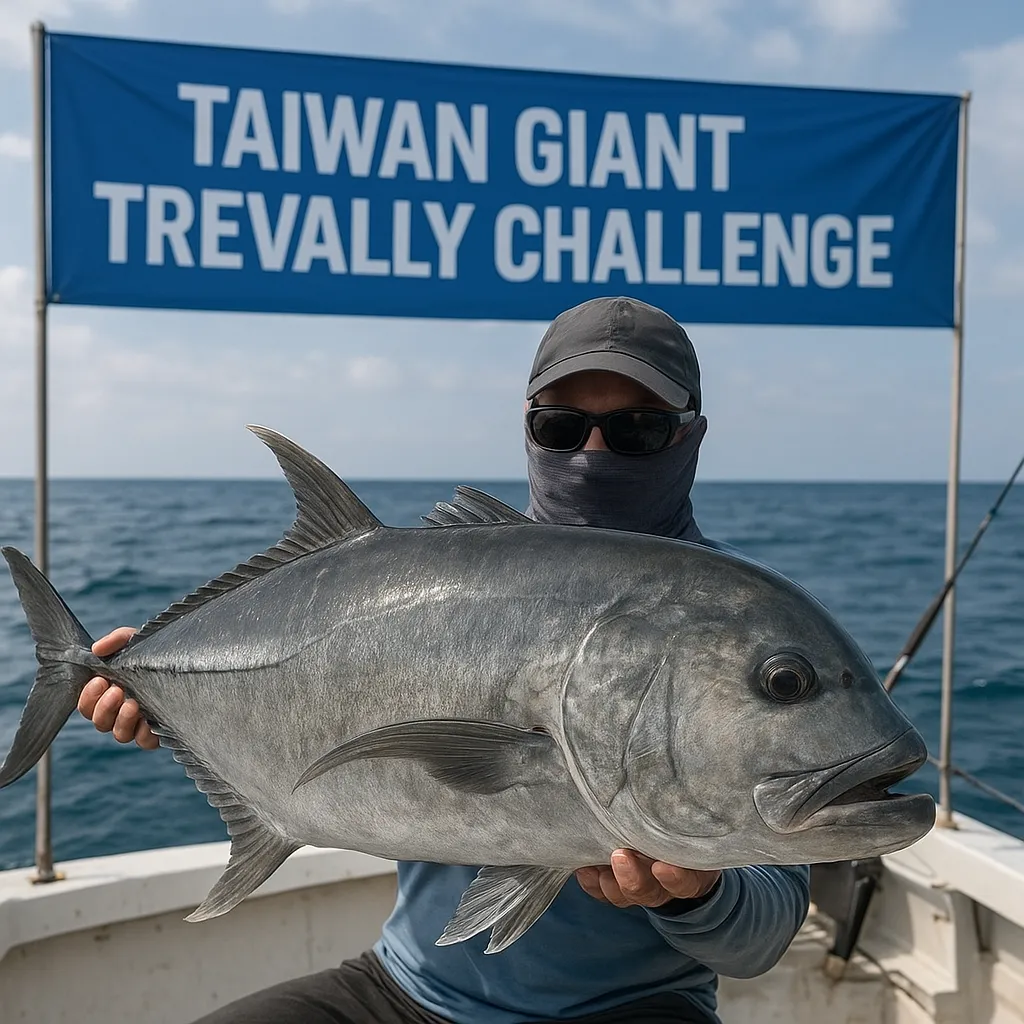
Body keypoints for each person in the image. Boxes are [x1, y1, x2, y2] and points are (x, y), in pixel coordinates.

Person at [79, 296, 810, 1024]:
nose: (591, 453)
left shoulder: (742, 622)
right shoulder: (427, 585)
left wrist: (699, 891)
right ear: (527, 430)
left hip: (633, 1006)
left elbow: (761, 938)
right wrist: (160, 691)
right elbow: (303, 677)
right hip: (403, 989)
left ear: (691, 435)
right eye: (559, 426)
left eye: (637, 428)